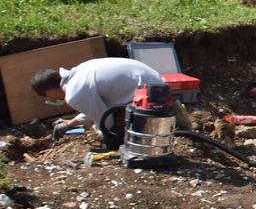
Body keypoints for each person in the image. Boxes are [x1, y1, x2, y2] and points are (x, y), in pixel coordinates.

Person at [30, 57, 165, 145]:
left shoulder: (74, 94)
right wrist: (70, 124)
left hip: (151, 91)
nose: (49, 100)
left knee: (111, 138)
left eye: (46, 96)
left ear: (49, 91)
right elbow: (95, 108)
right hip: (152, 81)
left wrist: (97, 131)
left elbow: (106, 120)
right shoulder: (78, 74)